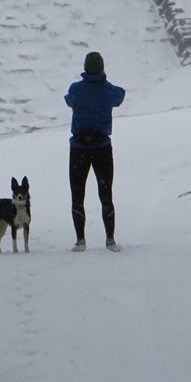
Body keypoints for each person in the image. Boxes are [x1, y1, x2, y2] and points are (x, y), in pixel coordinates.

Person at [65, 51, 125, 251]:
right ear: (101, 68)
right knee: (106, 194)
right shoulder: (109, 91)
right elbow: (120, 95)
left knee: (77, 194)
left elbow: (69, 100)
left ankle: (80, 240)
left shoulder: (76, 89)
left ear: (85, 68)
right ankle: (110, 240)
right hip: (102, 148)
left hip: (79, 149)